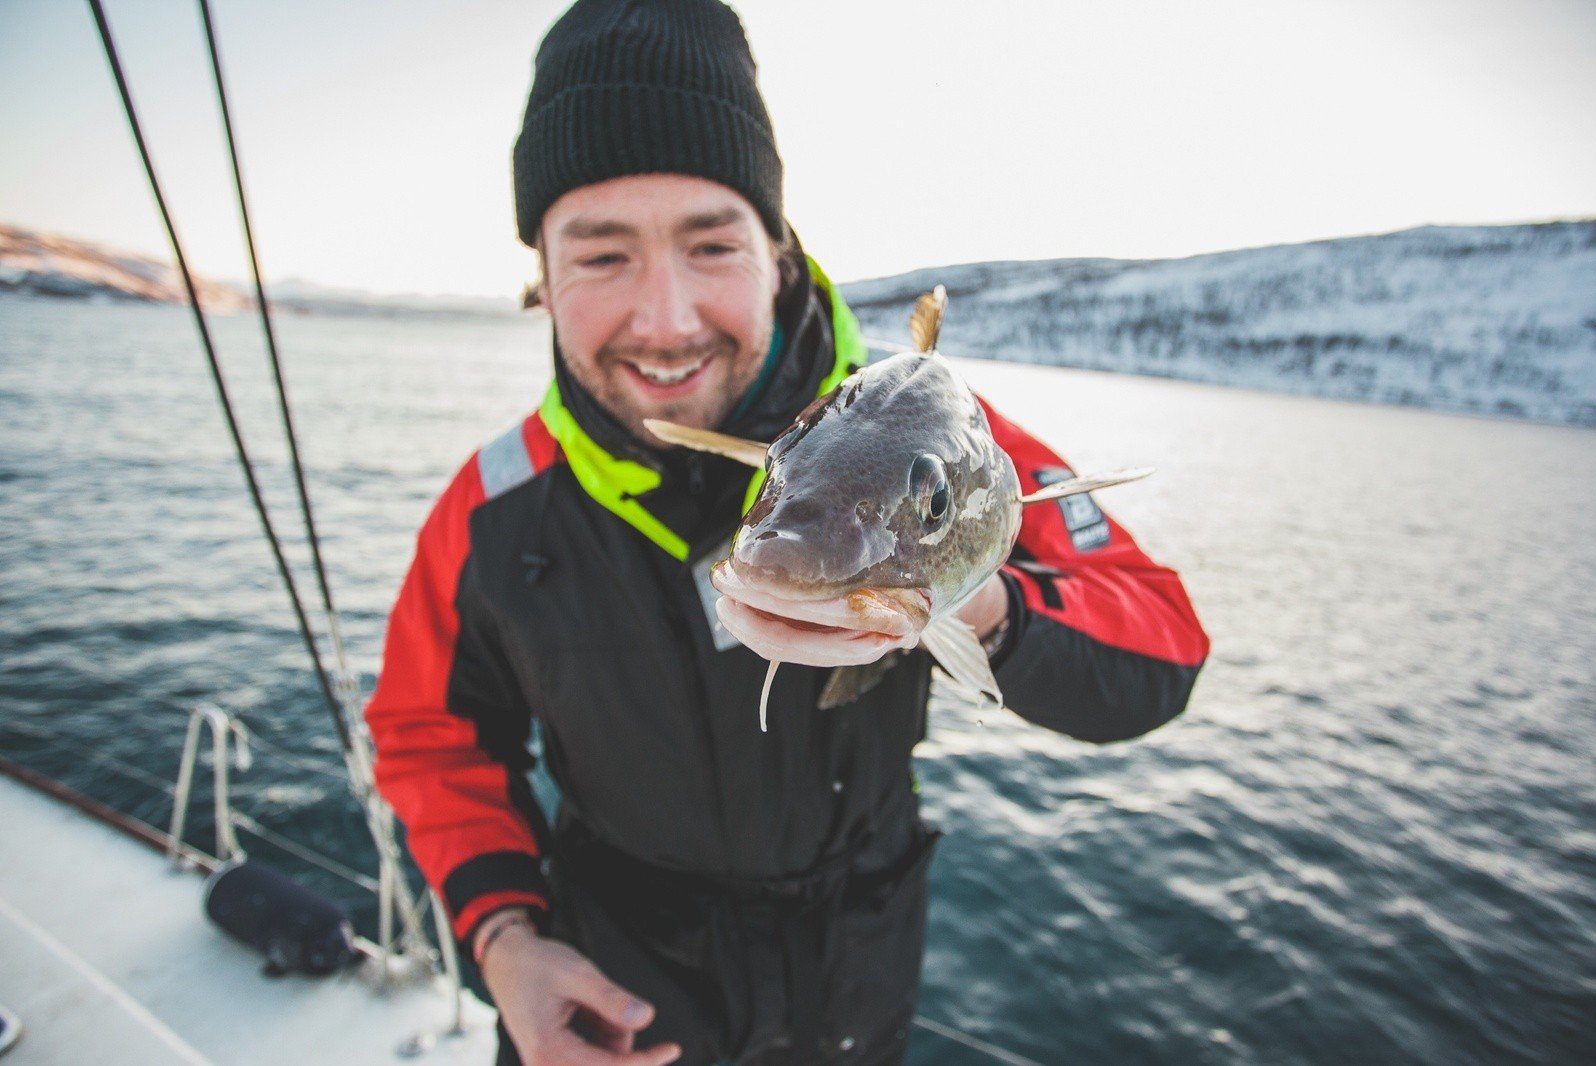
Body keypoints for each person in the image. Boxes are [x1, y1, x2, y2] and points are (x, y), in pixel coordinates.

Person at [363, 2, 1210, 1063]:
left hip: (853, 991)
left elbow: (1162, 643)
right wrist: (503, 941)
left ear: (777, 248)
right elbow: (426, 732)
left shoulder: (945, 442)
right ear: (541, 275)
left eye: (712, 243)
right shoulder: (489, 509)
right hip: (609, 999)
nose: (665, 320)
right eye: (600, 255)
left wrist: (969, 593)